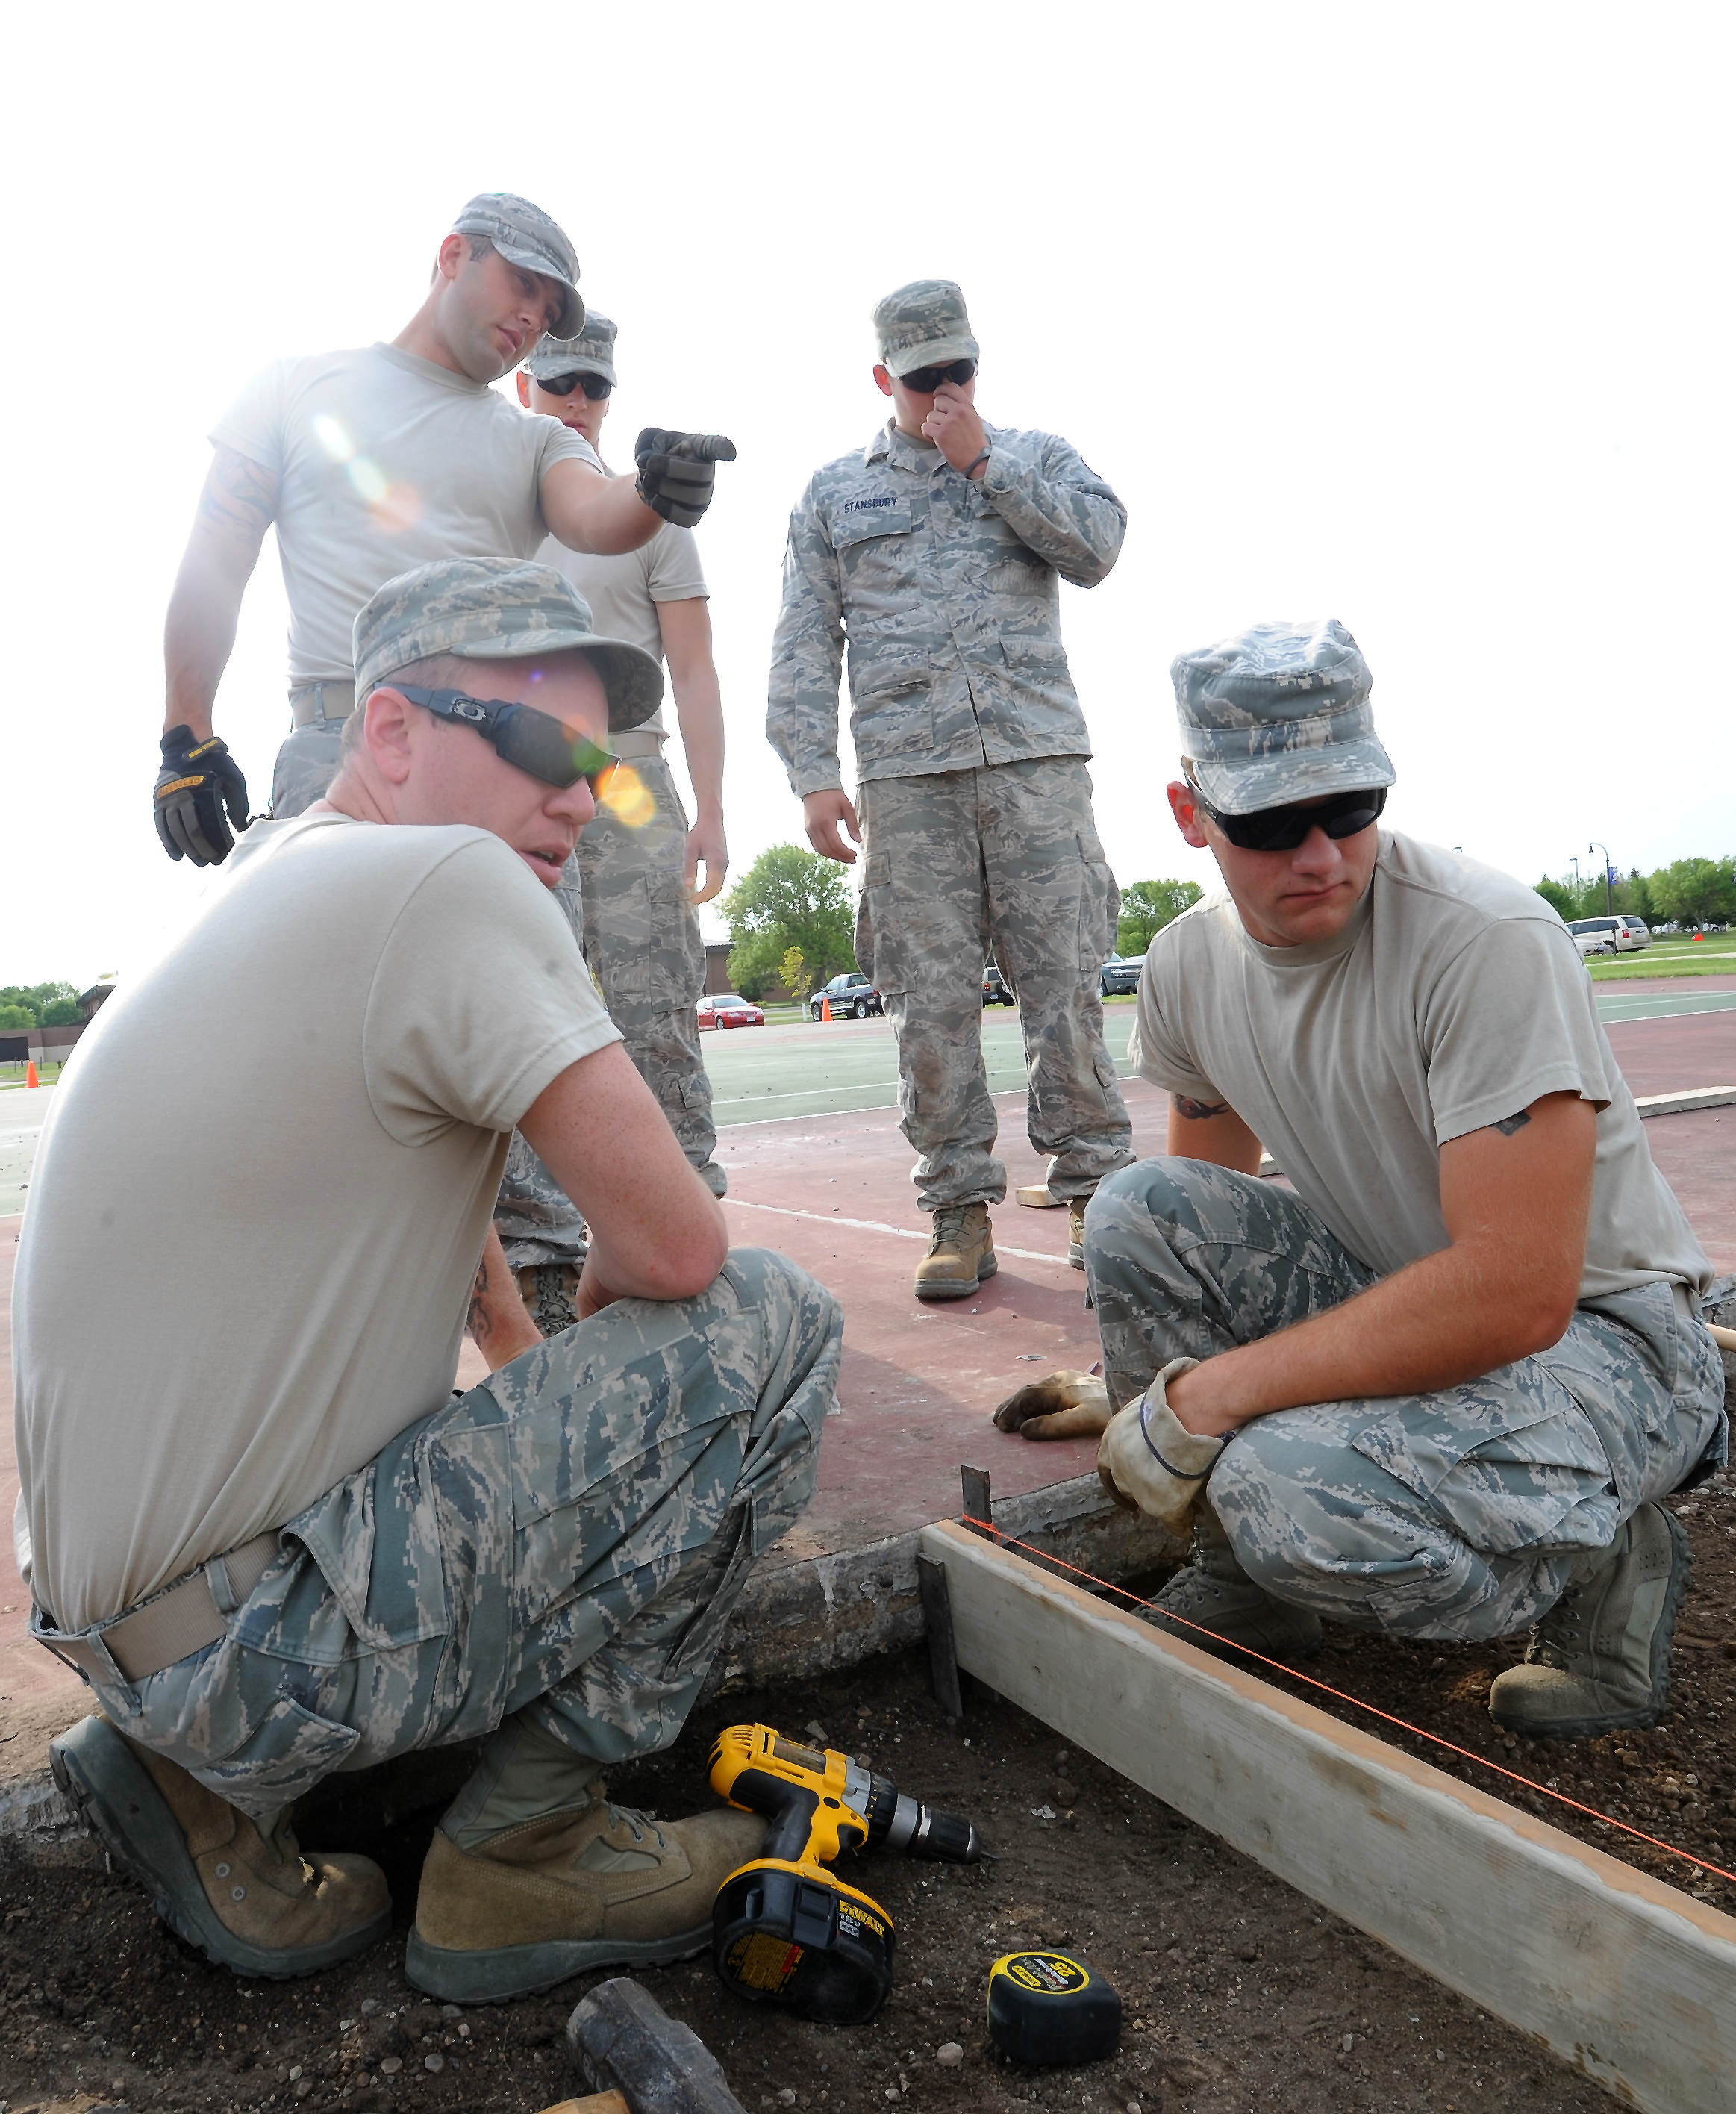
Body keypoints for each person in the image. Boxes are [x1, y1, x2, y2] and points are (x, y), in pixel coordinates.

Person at [22, 559, 841, 2002]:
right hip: (267, 1651)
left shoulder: (280, 874)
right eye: (539, 746)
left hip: (132, 1636)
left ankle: (190, 1785)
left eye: (601, 765)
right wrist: (624, 1459)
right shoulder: (447, 879)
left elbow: (417, 1205)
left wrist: (525, 1349)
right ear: (390, 734)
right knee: (771, 1325)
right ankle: (525, 1855)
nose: (583, 799)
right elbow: (676, 1257)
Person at [1005, 618, 1723, 1739]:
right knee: (1136, 1211)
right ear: (1189, 815)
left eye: (1349, 809)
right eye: (1268, 820)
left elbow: (1515, 1294)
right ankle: (1247, 1586)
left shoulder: (1483, 942)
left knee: (1281, 1490)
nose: (1320, 854)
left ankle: (1598, 1550)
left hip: (1611, 1346)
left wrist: (1206, 1399)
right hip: (1408, 1288)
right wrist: (1144, 1382)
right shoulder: (1189, 965)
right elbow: (1197, 1219)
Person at [153, 191, 731, 861]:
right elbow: (216, 563)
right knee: (346, 964)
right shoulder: (293, 389)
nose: (532, 318)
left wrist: (654, 486)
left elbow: (598, 515)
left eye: (548, 313)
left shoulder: (537, 440)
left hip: (504, 750)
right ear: (453, 255)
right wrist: (185, 734)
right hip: (343, 747)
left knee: (507, 967)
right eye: (523, 283)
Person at [769, 279, 1135, 1300]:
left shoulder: (1036, 458)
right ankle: (957, 1211)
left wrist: (986, 466)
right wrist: (811, 775)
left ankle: (1093, 1197)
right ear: (883, 376)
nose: (942, 391)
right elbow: (804, 639)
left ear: (978, 365)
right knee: (928, 1008)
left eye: (958, 372)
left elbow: (1098, 550)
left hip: (1033, 766)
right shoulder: (836, 494)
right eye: (922, 376)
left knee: (1063, 988)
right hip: (908, 781)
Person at [488, 314, 729, 1329]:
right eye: (559, 386)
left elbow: (694, 664)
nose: (577, 402)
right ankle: (544, 1275)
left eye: (593, 388)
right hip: (515, 773)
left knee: (655, 1011)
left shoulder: (653, 516)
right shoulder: (492, 498)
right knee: (519, 1015)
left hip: (627, 776)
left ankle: (688, 1244)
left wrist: (710, 807)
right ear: (524, 390)